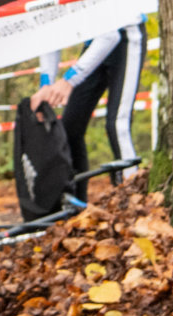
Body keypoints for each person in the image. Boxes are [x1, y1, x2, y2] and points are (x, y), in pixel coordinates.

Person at [29, 18, 147, 200]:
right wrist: (46, 84)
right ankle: (76, 204)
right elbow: (49, 35)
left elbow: (110, 36)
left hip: (124, 35)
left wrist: (69, 80)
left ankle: (133, 199)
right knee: (69, 128)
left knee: (117, 125)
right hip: (95, 43)